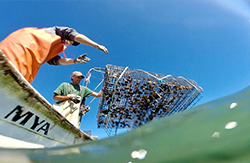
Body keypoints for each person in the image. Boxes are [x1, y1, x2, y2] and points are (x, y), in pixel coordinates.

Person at [0, 26, 108, 83]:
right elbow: (75, 36)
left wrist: (75, 61)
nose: (70, 42)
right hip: (16, 52)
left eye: (72, 43)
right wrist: (96, 45)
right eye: (71, 40)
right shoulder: (54, 32)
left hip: (23, 70)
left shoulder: (53, 48)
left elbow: (56, 61)